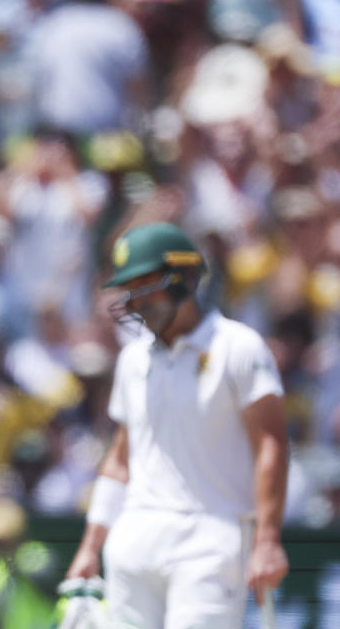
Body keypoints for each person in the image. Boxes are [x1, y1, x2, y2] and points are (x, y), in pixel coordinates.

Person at [64, 222, 289, 628]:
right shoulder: (134, 359)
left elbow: (271, 444)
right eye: (130, 288)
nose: (136, 300)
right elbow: (120, 459)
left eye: (147, 283)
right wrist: (89, 546)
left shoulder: (238, 346)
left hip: (211, 536)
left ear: (185, 277)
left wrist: (268, 539)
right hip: (134, 535)